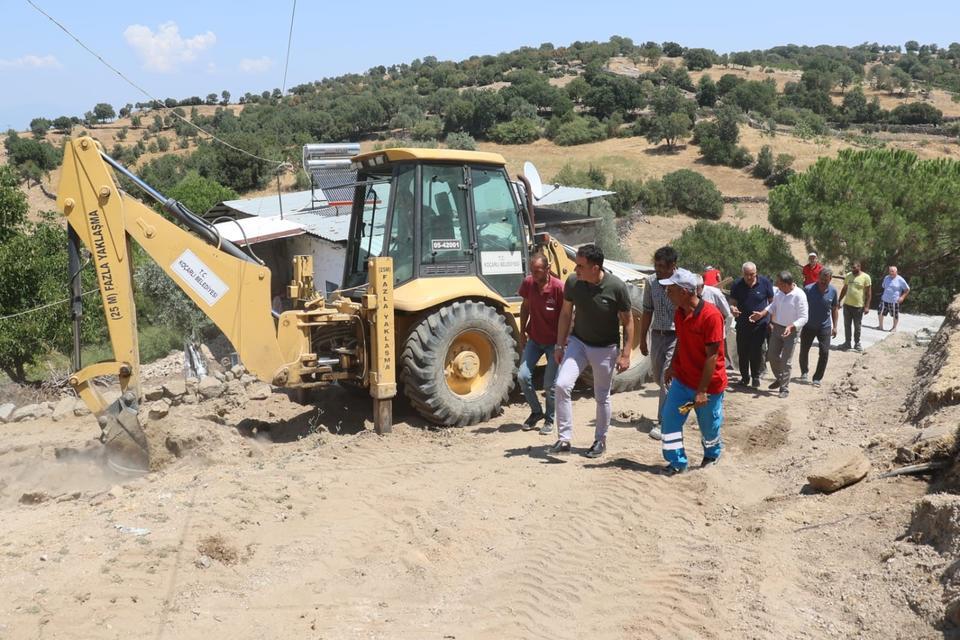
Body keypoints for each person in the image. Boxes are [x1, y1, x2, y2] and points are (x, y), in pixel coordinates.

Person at [552, 244, 634, 458]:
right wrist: (560, 345)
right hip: (578, 342)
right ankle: (564, 439)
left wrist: (625, 353)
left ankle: (600, 440)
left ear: (595, 268)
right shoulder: (573, 282)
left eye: (580, 266)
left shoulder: (616, 287)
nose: (576, 269)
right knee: (561, 385)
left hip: (605, 349)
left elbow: (628, 321)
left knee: (601, 396)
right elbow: (565, 314)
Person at [659, 268, 727, 475]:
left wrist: (702, 390)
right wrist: (672, 366)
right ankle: (677, 462)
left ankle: (712, 453)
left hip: (707, 388)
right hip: (683, 383)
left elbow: (712, 356)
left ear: (685, 292)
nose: (666, 294)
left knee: (709, 426)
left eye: (670, 290)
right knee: (670, 418)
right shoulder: (680, 313)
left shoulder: (711, 316)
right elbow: (682, 340)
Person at [516, 254, 564, 436]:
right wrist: (521, 332)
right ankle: (536, 412)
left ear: (547, 269)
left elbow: (568, 317)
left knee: (549, 385)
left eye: (537, 272)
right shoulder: (528, 284)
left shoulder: (559, 288)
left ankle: (550, 419)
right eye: (532, 272)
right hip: (535, 339)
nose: (534, 276)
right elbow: (525, 306)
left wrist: (562, 344)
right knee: (522, 376)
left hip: (554, 343)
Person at [639, 246, 678, 441]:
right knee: (657, 375)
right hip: (657, 335)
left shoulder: (682, 283)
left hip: (677, 336)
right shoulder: (651, 282)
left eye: (662, 266)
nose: (658, 270)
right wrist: (642, 339)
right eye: (656, 266)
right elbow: (647, 311)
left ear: (673, 266)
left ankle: (664, 422)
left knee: (666, 379)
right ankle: (677, 406)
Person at [750, 271, 808, 398]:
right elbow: (773, 305)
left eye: (779, 283)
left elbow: (804, 317)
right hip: (777, 328)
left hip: (791, 330)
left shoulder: (799, 295)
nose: (776, 285)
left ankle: (784, 388)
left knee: (786, 361)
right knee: (771, 355)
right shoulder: (779, 292)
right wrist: (762, 313)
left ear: (787, 284)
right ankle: (781, 378)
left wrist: (792, 326)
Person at [729, 262, 775, 388]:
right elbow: (733, 301)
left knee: (757, 351)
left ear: (756, 272)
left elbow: (772, 303)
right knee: (742, 351)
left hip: (760, 324)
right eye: (746, 275)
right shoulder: (737, 284)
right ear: (742, 273)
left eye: (752, 274)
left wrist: (769, 320)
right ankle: (744, 377)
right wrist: (733, 308)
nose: (749, 277)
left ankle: (756, 376)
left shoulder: (765, 283)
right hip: (743, 323)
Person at [799, 267, 839, 388]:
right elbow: (800, 307)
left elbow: (834, 309)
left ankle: (817, 378)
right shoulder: (808, 289)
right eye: (821, 279)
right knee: (804, 350)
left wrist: (835, 326)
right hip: (808, 325)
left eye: (826, 280)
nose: (823, 282)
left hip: (825, 326)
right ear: (818, 277)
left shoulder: (833, 291)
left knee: (825, 352)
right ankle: (804, 371)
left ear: (830, 279)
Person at [696, 274, 734, 371]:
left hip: (715, 333)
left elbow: (726, 312)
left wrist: (716, 324)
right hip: (698, 334)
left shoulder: (714, 293)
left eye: (697, 288)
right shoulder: (691, 294)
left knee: (715, 359)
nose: (694, 291)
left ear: (702, 286)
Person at [839, 261, 872, 352]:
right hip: (847, 305)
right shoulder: (849, 276)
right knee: (847, 325)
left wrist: (867, 306)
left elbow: (869, 294)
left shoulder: (866, 277)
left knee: (857, 326)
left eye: (855, 268)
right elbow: (844, 289)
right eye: (852, 268)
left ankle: (857, 343)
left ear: (859, 267)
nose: (853, 270)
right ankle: (847, 343)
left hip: (858, 306)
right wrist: (839, 300)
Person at [878, 266, 910, 332]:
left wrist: (902, 297)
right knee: (880, 312)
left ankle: (894, 327)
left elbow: (907, 289)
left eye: (892, 271)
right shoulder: (886, 277)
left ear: (896, 272)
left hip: (894, 300)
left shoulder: (900, 279)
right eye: (890, 271)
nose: (891, 273)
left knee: (895, 315)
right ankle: (880, 326)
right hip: (885, 299)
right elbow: (884, 286)